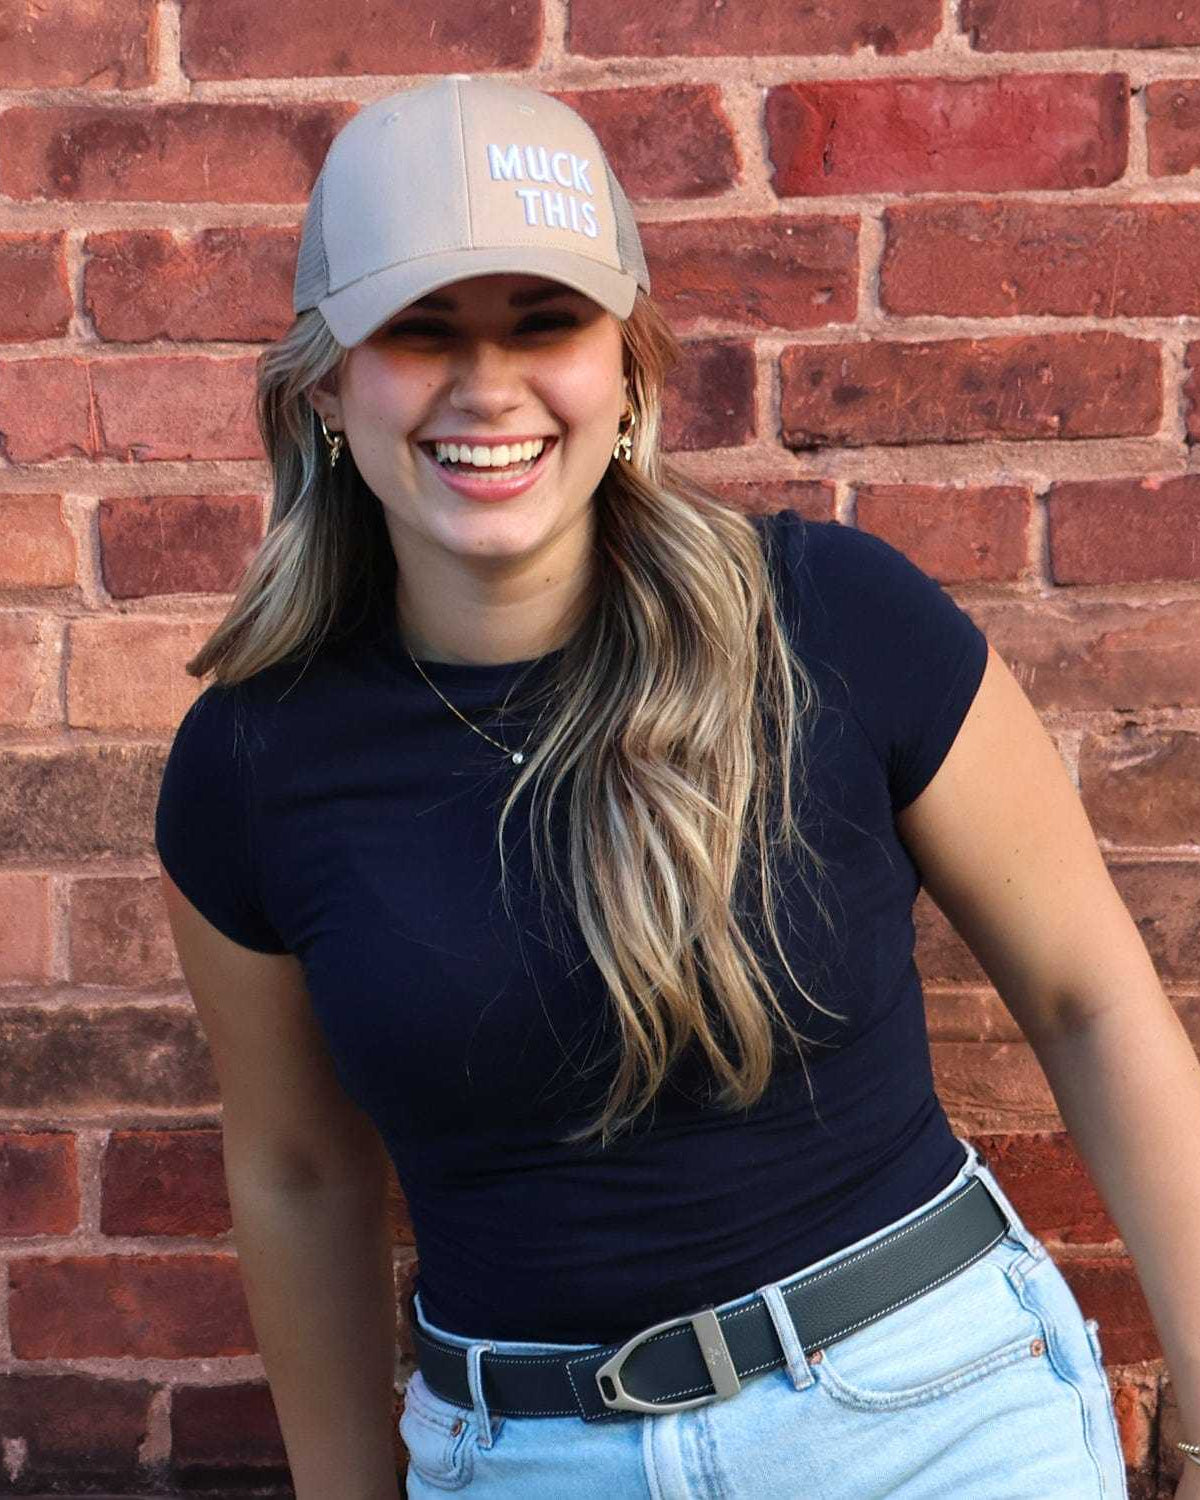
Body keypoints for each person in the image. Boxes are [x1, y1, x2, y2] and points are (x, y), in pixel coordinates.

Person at [153, 75, 1149, 1499]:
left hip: (935, 1424)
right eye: (418, 330)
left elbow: (1089, 999)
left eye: (543, 321)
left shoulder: (836, 624)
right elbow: (301, 1173)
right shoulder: (252, 764)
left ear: (627, 363)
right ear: (325, 384)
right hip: (523, 1460)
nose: (485, 385)